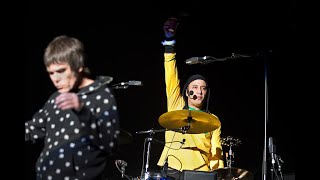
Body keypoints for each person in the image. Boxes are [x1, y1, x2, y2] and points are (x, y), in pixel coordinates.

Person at [25, 35, 120, 180]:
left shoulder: (101, 95)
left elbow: (110, 143)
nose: (56, 79)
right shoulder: (56, 97)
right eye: (51, 73)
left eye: (61, 71)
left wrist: (81, 110)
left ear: (79, 66)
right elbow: (33, 130)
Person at [157, 17, 224, 179]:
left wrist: (218, 174)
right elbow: (171, 76)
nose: (199, 92)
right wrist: (169, 43)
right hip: (172, 170)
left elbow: (216, 150)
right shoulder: (176, 106)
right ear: (187, 91)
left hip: (200, 173)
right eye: (194, 87)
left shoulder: (213, 120)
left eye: (203, 88)